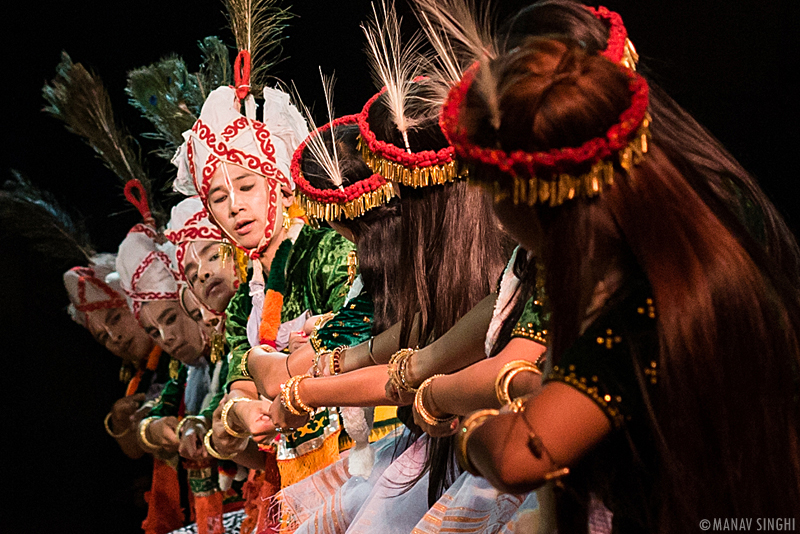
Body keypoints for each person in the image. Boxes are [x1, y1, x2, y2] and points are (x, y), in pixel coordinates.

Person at [442, 31, 800, 532]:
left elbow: (520, 458)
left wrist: (470, 433)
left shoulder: (648, 302)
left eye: (489, 190)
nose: (494, 215)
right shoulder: (708, 221)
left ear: (536, 196)